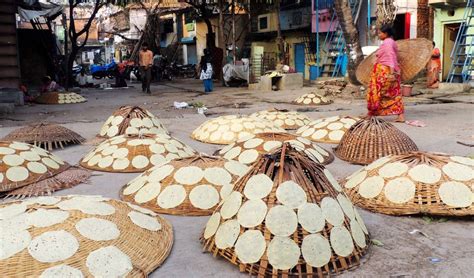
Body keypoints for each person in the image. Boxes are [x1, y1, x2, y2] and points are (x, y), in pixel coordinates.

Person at [367, 24, 405, 122]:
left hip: (384, 72)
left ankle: (371, 114)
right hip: (390, 70)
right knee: (394, 94)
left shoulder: (387, 43)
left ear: (386, 33)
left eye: (380, 33)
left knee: (377, 93)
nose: (379, 35)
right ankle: (400, 116)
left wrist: (391, 73)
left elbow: (390, 57)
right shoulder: (391, 42)